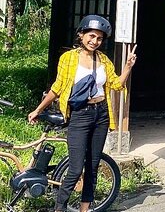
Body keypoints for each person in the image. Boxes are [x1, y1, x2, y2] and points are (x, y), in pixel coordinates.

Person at [28, 15, 137, 212]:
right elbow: (57, 88)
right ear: (81, 34)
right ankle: (59, 208)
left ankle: (84, 209)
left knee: (92, 167)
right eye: (91, 36)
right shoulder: (68, 58)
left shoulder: (104, 60)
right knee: (76, 168)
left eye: (99, 38)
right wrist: (38, 109)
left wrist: (128, 66)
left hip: (101, 114)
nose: (95, 41)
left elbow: (116, 84)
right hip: (80, 115)